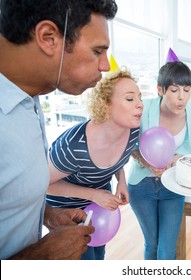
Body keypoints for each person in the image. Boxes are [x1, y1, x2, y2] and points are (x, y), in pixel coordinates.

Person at [0, 0, 118, 259]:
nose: (105, 66)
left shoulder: (30, 96)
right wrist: (41, 257)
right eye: (98, 51)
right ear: (48, 37)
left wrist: (47, 214)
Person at [46, 69, 143, 260]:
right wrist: (93, 194)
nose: (140, 104)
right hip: (67, 211)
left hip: (99, 206)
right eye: (130, 99)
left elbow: (117, 157)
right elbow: (44, 184)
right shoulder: (73, 146)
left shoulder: (132, 131)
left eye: (140, 97)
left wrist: (121, 181)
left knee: (99, 254)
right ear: (106, 105)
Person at [127, 60, 191, 260]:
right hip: (141, 186)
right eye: (174, 90)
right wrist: (147, 163)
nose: (182, 97)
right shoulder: (143, 110)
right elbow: (130, 147)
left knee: (167, 248)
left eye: (187, 90)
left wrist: (179, 159)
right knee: (151, 244)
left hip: (173, 186)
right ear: (160, 90)